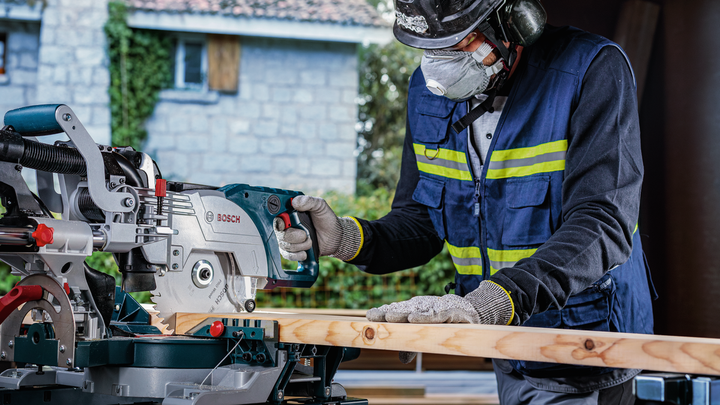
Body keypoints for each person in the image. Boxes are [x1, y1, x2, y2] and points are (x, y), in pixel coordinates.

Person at [274, 0, 656, 403]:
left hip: (582, 344)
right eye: (428, 49)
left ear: (512, 24)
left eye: (454, 45)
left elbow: (601, 225)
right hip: (502, 342)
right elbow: (423, 219)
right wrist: (347, 239)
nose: (438, 67)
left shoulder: (590, 70)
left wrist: (492, 300)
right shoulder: (426, 93)